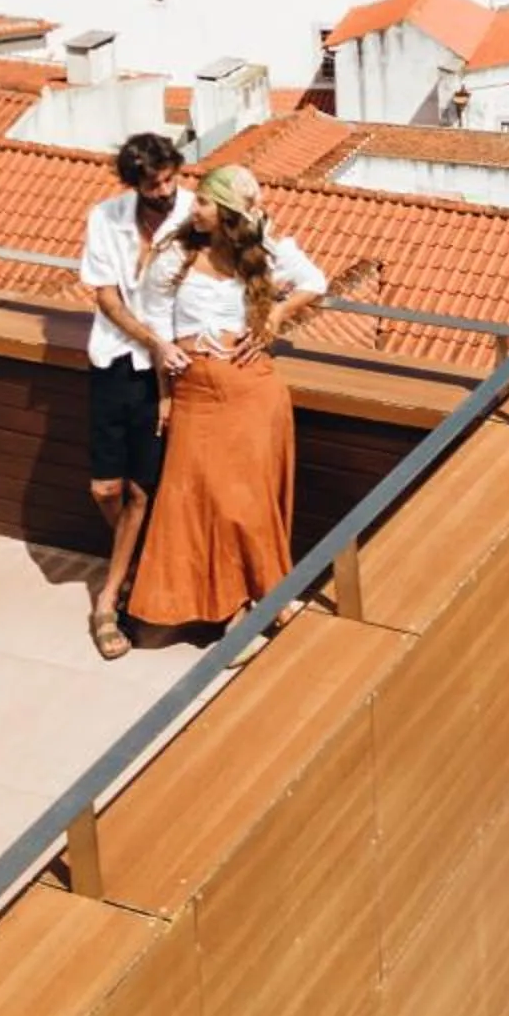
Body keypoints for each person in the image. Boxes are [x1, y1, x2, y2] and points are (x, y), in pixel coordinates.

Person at [128, 166, 329, 633]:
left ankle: (262, 601)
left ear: (228, 212)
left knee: (249, 502)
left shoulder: (263, 252)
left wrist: (276, 312)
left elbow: (315, 282)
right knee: (201, 501)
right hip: (196, 391)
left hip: (253, 389)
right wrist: (164, 393)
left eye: (202, 202)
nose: (192, 208)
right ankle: (228, 604)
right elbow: (154, 327)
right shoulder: (173, 257)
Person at [75, 134, 192, 660]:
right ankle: (135, 560)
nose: (165, 192)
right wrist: (153, 341)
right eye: (154, 185)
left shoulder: (195, 214)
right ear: (134, 184)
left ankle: (107, 599)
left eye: (170, 180)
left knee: (142, 493)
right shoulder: (106, 217)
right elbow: (104, 295)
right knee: (106, 490)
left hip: (168, 372)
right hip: (116, 359)